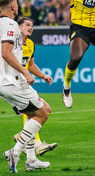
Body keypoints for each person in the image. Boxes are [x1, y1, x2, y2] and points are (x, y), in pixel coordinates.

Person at [0, 0, 50, 173]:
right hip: (12, 81)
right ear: (14, 6)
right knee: (42, 114)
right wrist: (26, 73)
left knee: (36, 113)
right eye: (16, 1)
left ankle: (31, 160)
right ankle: (15, 152)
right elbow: (6, 54)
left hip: (2, 82)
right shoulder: (10, 25)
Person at [12, 17, 57, 157]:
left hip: (24, 86)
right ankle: (36, 145)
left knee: (46, 109)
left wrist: (43, 76)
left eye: (32, 25)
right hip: (13, 85)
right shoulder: (13, 43)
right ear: (19, 27)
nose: (30, 27)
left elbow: (30, 65)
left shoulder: (30, 43)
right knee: (30, 112)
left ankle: (24, 137)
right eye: (27, 25)